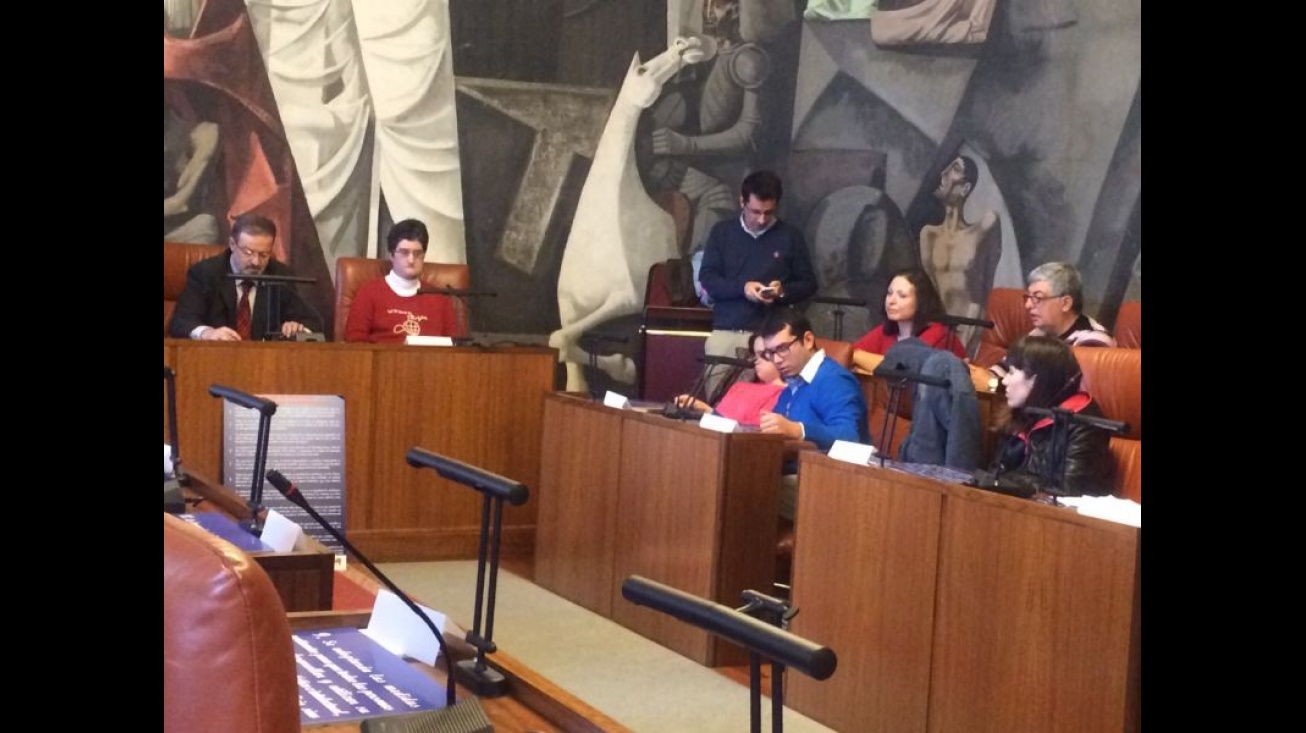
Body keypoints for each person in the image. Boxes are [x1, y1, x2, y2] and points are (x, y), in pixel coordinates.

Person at [698, 170, 817, 394]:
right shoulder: (722, 233)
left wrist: (782, 292)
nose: (761, 219)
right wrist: (743, 289)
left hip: (771, 339)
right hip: (727, 332)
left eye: (768, 213)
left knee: (769, 402)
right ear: (741, 201)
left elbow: (809, 284)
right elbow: (708, 279)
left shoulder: (790, 236)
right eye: (755, 212)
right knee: (716, 403)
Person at [756, 309, 870, 520]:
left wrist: (798, 430)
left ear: (808, 340)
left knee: (750, 489)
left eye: (782, 349)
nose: (776, 360)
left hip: (837, 484)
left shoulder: (833, 379)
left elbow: (850, 438)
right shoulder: (794, 383)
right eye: (770, 353)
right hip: (799, 474)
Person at [990, 334, 1113, 496]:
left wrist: (1010, 481)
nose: (1004, 381)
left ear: (1037, 379)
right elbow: (994, 474)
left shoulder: (1084, 425)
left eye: (1012, 372)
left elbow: (1070, 492)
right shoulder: (1022, 414)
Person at [168, 213, 322, 340]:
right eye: (248, 252)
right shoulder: (206, 273)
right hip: (215, 358)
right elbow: (181, 321)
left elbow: (314, 322)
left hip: (264, 364)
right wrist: (208, 333)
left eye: (264, 254)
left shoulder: (280, 275)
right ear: (233, 245)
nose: (256, 262)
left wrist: (298, 328)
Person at [343, 219, 462, 343]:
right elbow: (355, 345)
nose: (411, 260)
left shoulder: (441, 299)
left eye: (417, 253)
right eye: (404, 252)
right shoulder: (369, 293)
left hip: (432, 361)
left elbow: (454, 349)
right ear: (392, 254)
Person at [919, 154, 1001, 323]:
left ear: (965, 188)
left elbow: (985, 290)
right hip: (938, 327)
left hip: (969, 326)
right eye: (946, 168)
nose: (944, 173)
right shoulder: (928, 235)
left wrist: (969, 337)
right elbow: (930, 290)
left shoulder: (981, 230)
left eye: (955, 169)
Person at [851, 267, 966, 371]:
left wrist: (860, 359)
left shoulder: (939, 334)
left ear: (921, 301)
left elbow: (901, 369)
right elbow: (848, 353)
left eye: (902, 296)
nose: (891, 301)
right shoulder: (885, 331)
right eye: (889, 293)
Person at [672, 332, 786, 426]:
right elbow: (722, 417)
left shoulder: (785, 394)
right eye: (755, 355)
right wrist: (702, 408)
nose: (756, 360)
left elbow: (755, 428)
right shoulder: (740, 387)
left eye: (763, 354)